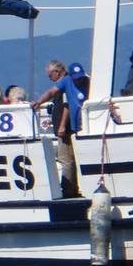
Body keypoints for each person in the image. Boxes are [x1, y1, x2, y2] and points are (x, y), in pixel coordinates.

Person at [33, 60, 84, 196]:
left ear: (57, 72)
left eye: (50, 75)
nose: (50, 78)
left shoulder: (66, 81)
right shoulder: (69, 81)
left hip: (66, 127)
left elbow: (65, 105)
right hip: (69, 125)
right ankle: (72, 187)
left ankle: (69, 190)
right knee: (69, 158)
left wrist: (61, 125)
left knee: (65, 159)